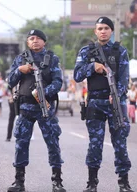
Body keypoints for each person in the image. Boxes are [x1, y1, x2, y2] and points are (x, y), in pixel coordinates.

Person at [74, 17, 133, 192]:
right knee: (95, 144)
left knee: (120, 144)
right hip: (95, 103)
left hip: (116, 102)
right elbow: (77, 75)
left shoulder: (120, 51)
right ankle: (92, 183)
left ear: (111, 31)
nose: (103, 31)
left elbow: (123, 77)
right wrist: (92, 67)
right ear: (95, 31)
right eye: (100, 28)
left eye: (106, 28)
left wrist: (117, 94)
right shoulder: (86, 51)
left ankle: (124, 183)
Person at [7, 29, 65, 192]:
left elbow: (58, 82)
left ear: (44, 42)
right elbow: (10, 81)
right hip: (25, 107)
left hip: (45, 107)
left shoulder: (52, 59)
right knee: (21, 144)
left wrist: (43, 93)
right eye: (31, 38)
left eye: (38, 38)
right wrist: (20, 70)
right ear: (27, 42)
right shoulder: (20, 59)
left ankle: (57, 180)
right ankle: (19, 181)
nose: (35, 41)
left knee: (53, 142)